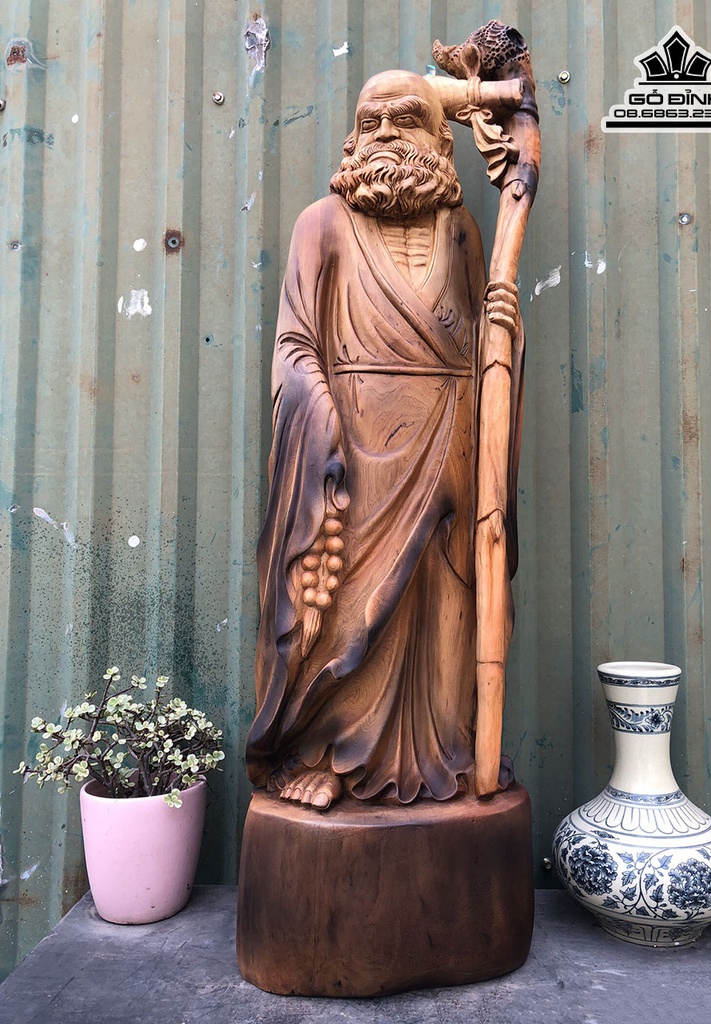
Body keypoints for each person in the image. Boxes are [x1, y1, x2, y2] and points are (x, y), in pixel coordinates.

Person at [246, 70, 520, 810]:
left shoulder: (461, 231)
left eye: (406, 119)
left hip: (449, 444)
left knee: (443, 603)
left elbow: (477, 347)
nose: (388, 134)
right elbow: (294, 343)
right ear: (352, 138)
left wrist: (502, 332)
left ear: (440, 140)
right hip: (353, 453)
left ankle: (446, 753)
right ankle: (323, 753)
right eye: (372, 122)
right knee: (344, 608)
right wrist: (319, 416)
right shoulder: (321, 225)